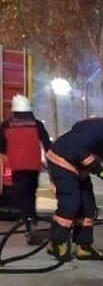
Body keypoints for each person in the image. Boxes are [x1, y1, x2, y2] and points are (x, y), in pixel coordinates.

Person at [45, 99, 103, 261]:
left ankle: (84, 247)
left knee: (88, 205)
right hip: (62, 159)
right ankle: (56, 243)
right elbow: (78, 150)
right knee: (71, 202)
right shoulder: (100, 127)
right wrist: (100, 169)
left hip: (78, 167)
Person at [0, 95, 51, 240]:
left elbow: (2, 149)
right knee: (31, 193)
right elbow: (47, 144)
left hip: (17, 167)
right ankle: (31, 222)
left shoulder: (6, 125)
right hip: (34, 166)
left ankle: (29, 224)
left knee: (23, 196)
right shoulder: (37, 124)